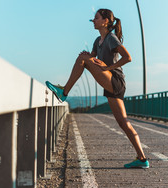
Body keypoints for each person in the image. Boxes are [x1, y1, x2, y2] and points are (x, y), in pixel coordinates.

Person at [46, 8, 148, 168]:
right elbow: (92, 58)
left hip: (115, 80)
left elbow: (128, 57)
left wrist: (108, 67)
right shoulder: (97, 41)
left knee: (82, 59)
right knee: (123, 123)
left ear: (105, 21)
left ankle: (64, 92)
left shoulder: (111, 38)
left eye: (96, 18)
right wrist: (89, 56)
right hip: (110, 84)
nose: (93, 20)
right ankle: (142, 159)